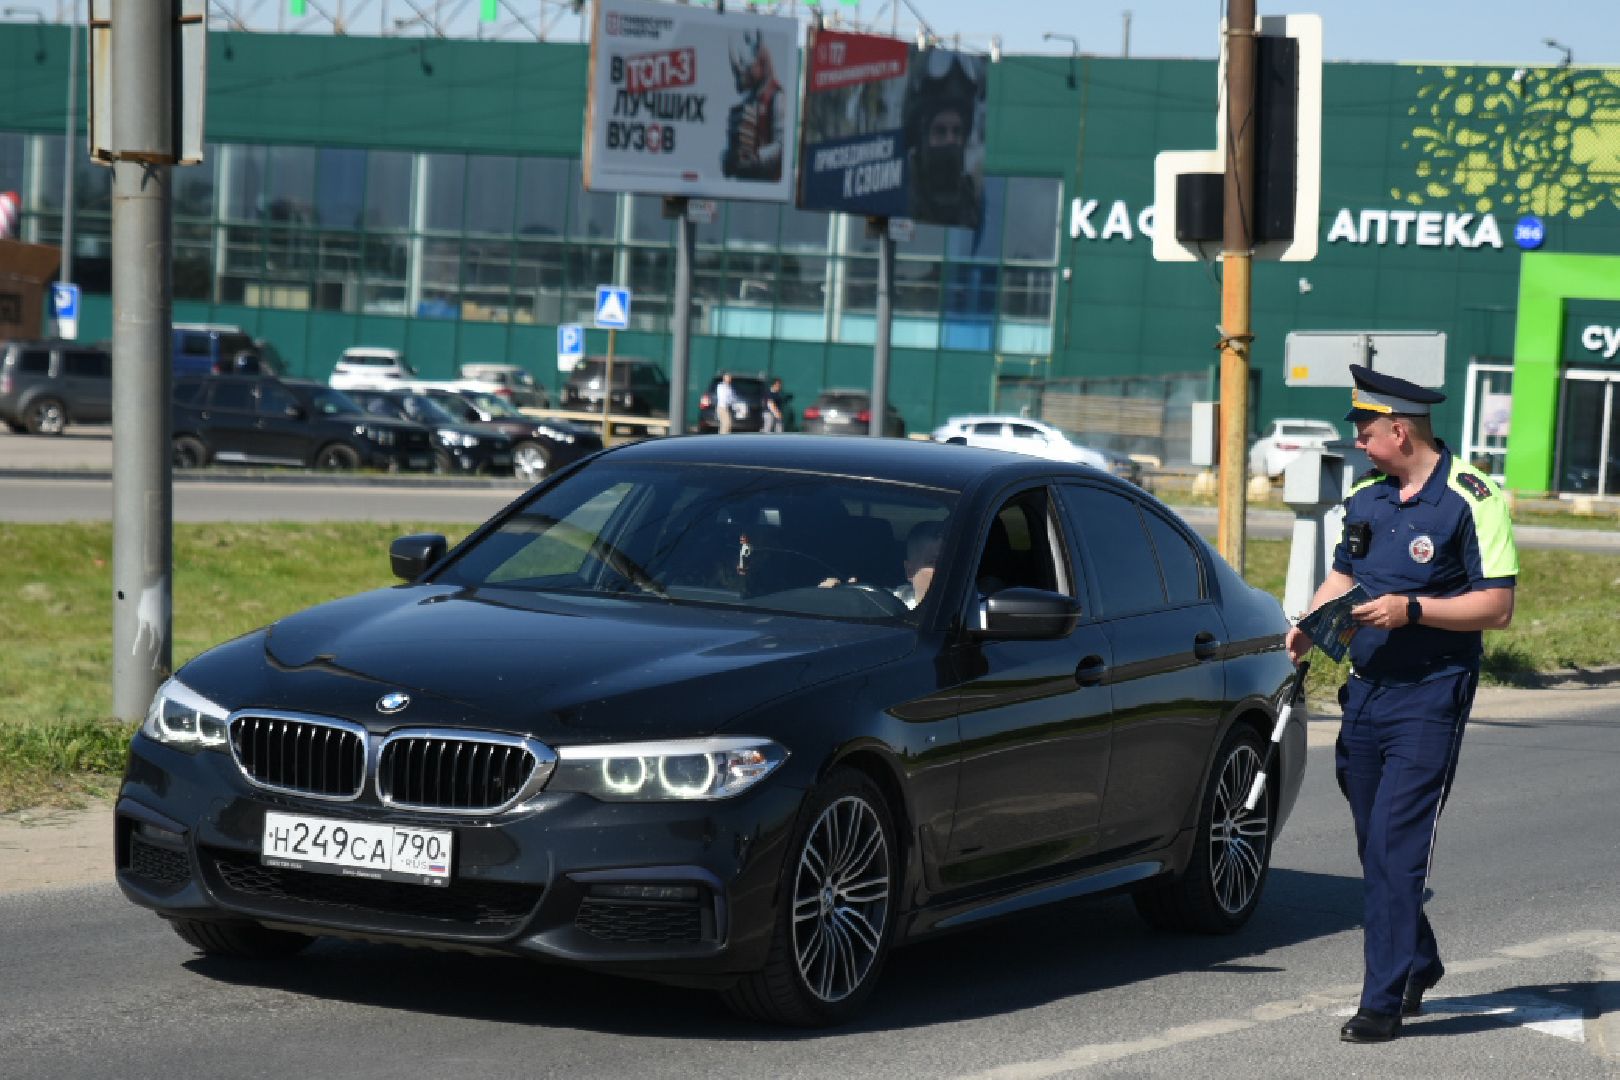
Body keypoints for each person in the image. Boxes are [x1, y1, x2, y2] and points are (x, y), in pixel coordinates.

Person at [1286, 364, 1518, 1044]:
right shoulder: (1367, 498)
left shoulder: (1473, 498)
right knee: (1374, 841)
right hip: (1365, 692)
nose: (1358, 441)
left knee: (1396, 846)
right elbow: (1343, 576)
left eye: (1365, 430)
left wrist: (1412, 609)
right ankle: (1417, 959)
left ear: (1400, 429)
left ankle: (1382, 1002)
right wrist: (1310, 624)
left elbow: (1497, 606)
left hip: (1431, 692)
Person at [893, 521, 943, 608]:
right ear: (910, 572)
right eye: (934, 563)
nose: (948, 570)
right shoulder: (885, 604)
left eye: (953, 562)